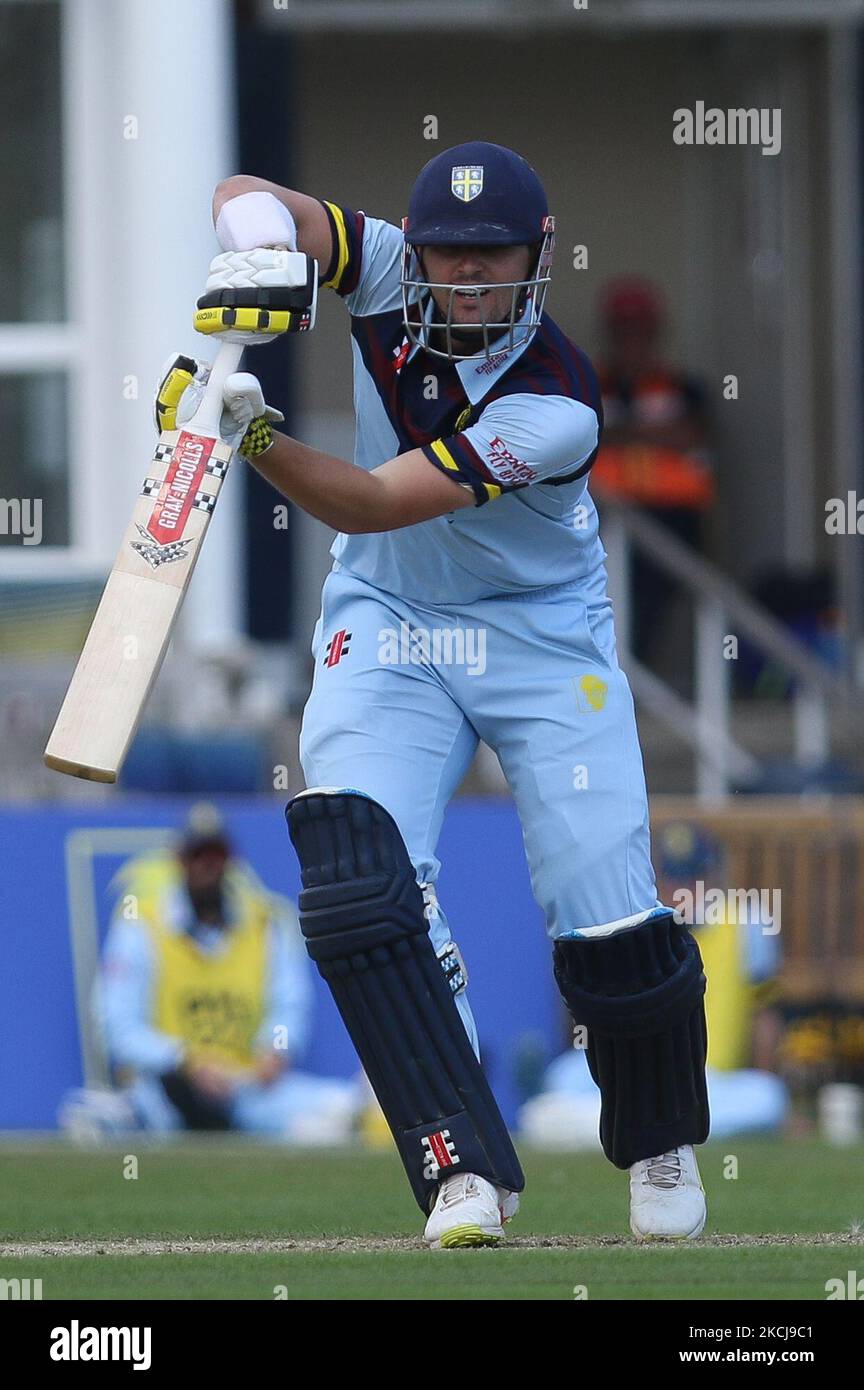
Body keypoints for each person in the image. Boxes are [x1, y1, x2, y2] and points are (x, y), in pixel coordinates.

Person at [163, 141, 711, 1247]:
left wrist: (251, 431)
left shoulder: (558, 400)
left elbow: (368, 500)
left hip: (543, 637)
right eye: (448, 254)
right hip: (391, 626)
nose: (466, 277)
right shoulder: (384, 268)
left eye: (490, 254)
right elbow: (245, 195)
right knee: (364, 885)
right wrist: (265, 248)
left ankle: (658, 1136)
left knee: (605, 913)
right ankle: (459, 1162)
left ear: (537, 255)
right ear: (419, 251)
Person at [62, 804, 356, 1142]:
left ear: (230, 861)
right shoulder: (141, 928)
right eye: (197, 855)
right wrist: (186, 1061)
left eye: (216, 855)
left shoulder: (263, 926)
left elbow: (288, 1008)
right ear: (179, 861)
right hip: (166, 1089)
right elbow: (118, 1028)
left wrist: (275, 1051)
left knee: (341, 1112)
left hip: (246, 1088)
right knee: (110, 1117)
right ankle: (127, 1120)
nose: (207, 866)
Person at [521, 823, 787, 1146]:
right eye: (674, 877)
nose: (683, 889)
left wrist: (766, 1072)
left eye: (694, 878)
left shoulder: (746, 925)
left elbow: (765, 1017)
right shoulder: (636, 924)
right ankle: (623, 1119)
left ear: (714, 877)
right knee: (566, 1075)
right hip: (633, 1078)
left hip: (708, 1082)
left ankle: (597, 1124)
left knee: (767, 1097)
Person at [591, 277, 714, 668]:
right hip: (600, 518)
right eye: (623, 328)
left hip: (672, 518)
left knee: (651, 607)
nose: (632, 338)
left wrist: (620, 431)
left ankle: (635, 680)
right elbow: (578, 435)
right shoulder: (589, 383)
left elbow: (691, 434)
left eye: (640, 328)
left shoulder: (684, 386)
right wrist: (648, 432)